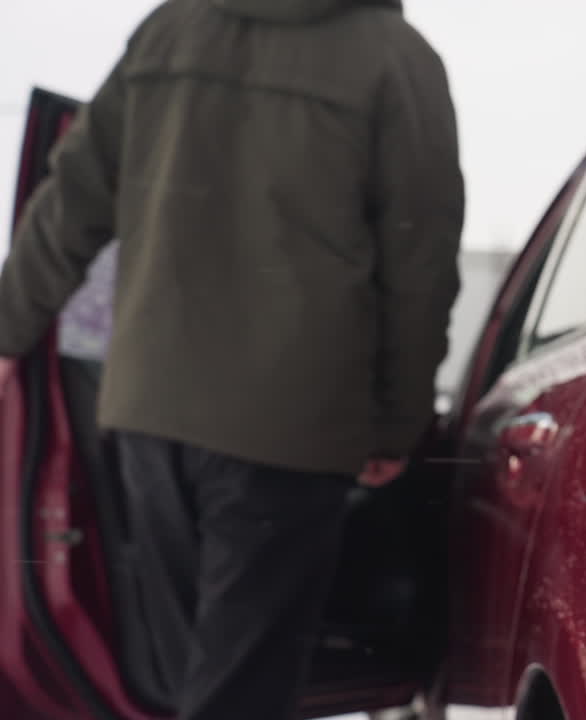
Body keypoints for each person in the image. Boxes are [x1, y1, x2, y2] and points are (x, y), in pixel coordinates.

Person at [0, 0, 463, 717]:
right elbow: (420, 261)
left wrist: (8, 333)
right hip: (289, 424)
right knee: (240, 683)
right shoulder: (395, 58)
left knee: (189, 674)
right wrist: (395, 425)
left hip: (150, 414)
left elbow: (71, 199)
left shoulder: (169, 30)